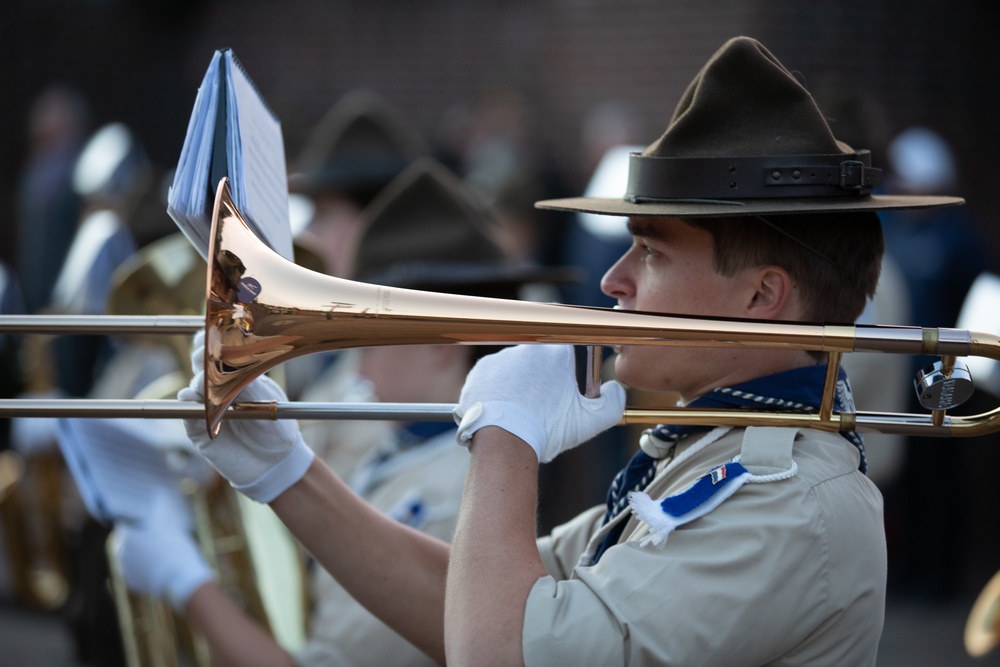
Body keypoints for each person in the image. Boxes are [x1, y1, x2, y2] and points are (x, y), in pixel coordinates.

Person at [175, 37, 962, 665]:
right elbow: (471, 604)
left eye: (650, 252)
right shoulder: (715, 450)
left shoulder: (790, 505)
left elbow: (500, 654)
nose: (614, 280)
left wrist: (504, 437)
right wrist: (288, 474)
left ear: (762, 296)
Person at [113, 157, 573, 666]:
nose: (360, 369)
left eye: (371, 340)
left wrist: (189, 586)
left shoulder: (457, 493)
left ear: (443, 344)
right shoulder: (400, 445)